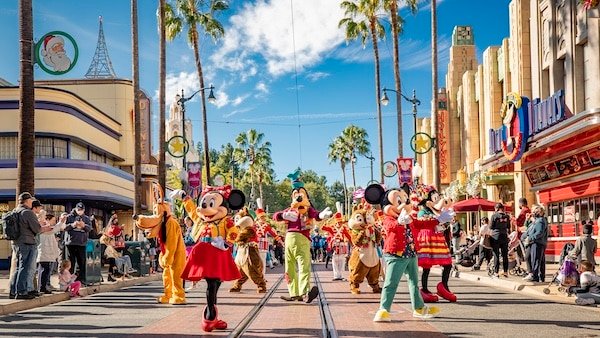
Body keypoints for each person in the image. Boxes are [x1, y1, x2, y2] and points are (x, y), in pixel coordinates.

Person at [273, 171, 332, 303]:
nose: (299, 198)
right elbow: (275, 216)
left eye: (301, 195)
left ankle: (305, 292)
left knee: (304, 266)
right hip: (289, 240)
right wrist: (282, 215)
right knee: (289, 267)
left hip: (303, 239)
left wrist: (322, 215)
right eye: (296, 195)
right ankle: (294, 293)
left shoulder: (308, 210)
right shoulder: (290, 210)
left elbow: (316, 215)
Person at [8, 192, 42, 299]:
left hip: (16, 242)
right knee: (25, 267)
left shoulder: (15, 211)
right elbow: (37, 229)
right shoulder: (27, 212)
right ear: (27, 201)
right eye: (31, 200)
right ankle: (22, 291)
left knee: (18, 267)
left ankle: (13, 291)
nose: (32, 202)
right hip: (27, 242)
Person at [37, 213, 64, 294]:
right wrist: (60, 222)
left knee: (47, 270)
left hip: (49, 253)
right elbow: (53, 230)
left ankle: (45, 286)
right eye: (53, 221)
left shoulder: (47, 227)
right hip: (44, 252)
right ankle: (42, 287)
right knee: (44, 270)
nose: (54, 222)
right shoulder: (42, 228)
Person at [64, 202, 91, 283]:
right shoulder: (69, 217)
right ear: (75, 209)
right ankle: (69, 279)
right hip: (71, 243)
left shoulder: (86, 218)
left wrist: (84, 226)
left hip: (82, 243)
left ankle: (81, 279)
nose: (80, 211)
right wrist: (73, 225)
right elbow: (64, 227)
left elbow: (89, 228)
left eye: (81, 210)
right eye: (78, 209)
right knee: (70, 262)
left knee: (81, 262)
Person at [521, 205, 548, 282]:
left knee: (535, 260)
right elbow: (527, 228)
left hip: (537, 242)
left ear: (539, 211)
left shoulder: (540, 221)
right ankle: (534, 274)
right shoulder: (536, 220)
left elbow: (539, 233)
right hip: (534, 242)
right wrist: (527, 220)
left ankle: (535, 276)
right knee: (531, 258)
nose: (532, 213)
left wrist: (530, 238)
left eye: (533, 211)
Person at [490, 203, 511, 278]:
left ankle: (496, 272)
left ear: (497, 208)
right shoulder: (507, 216)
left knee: (496, 255)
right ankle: (505, 271)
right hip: (504, 236)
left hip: (496, 236)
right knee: (505, 255)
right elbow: (508, 227)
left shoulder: (494, 216)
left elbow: (491, 227)